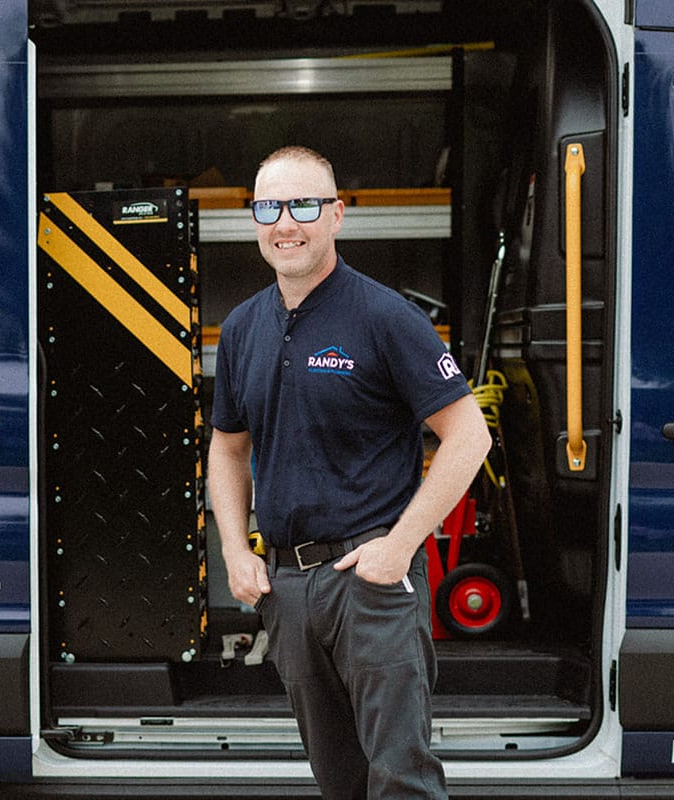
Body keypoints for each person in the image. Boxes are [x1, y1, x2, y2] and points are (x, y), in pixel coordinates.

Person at [208, 145, 491, 799]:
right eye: (269, 207)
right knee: (338, 778)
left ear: (337, 214)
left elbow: (467, 436)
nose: (286, 223)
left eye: (304, 204)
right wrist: (234, 548)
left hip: (370, 584)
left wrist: (401, 545)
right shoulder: (245, 327)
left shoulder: (385, 317)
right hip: (286, 588)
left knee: (399, 778)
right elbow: (227, 448)